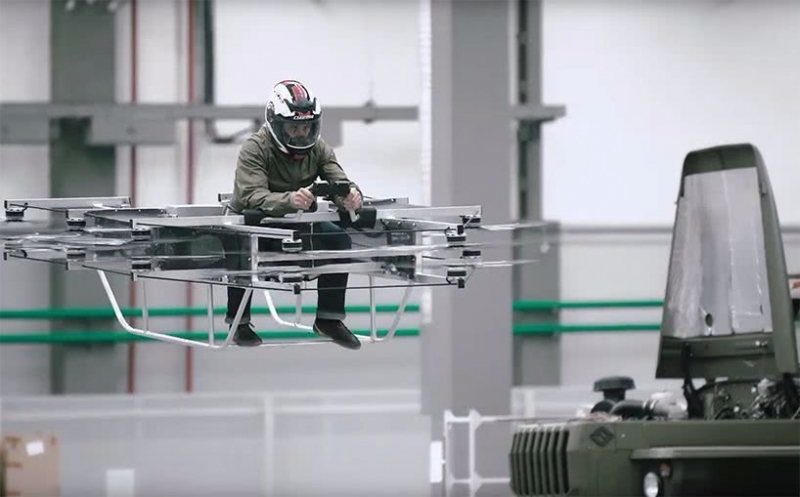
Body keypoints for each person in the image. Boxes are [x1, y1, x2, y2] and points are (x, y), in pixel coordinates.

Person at [226, 79, 363, 350]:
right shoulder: (254, 148)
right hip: (256, 224)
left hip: (298, 223)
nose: (301, 134)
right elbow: (251, 195)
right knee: (241, 249)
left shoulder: (319, 148)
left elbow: (339, 181)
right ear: (276, 123)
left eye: (306, 128)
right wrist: (290, 200)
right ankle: (238, 323)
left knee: (339, 241)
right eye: (293, 127)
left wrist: (350, 196)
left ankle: (328, 319)